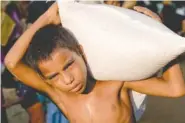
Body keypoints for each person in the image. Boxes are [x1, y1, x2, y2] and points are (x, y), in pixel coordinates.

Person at [4, 3, 185, 123]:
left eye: (68, 65)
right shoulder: (60, 95)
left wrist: (159, 32)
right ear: (47, 80)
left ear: (80, 52)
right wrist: (47, 18)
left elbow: (175, 89)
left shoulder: (115, 84)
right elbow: (11, 62)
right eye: (54, 76)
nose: (67, 79)